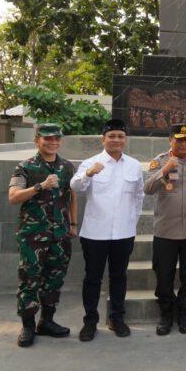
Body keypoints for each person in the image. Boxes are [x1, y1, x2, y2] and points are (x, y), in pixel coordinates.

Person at [71, 119, 144, 341]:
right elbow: (74, 186)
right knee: (92, 278)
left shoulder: (133, 165)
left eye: (120, 136)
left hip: (123, 232)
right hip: (95, 233)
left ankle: (117, 318)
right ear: (103, 139)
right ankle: (90, 321)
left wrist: (133, 220)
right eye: (111, 136)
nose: (116, 140)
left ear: (125, 140)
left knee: (119, 276)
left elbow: (139, 195)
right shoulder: (90, 163)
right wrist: (89, 174)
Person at [8, 123, 77, 348]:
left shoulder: (67, 167)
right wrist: (40, 186)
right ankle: (28, 325)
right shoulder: (26, 167)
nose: (53, 143)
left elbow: (71, 196)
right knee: (30, 280)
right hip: (33, 236)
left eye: (57, 139)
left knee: (54, 280)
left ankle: (46, 321)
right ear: (37, 140)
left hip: (60, 235)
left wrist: (73, 224)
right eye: (48, 139)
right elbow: (14, 196)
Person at [144, 124, 186, 335]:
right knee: (164, 275)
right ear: (170, 140)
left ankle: (184, 313)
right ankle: (166, 314)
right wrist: (164, 171)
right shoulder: (160, 160)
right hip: (166, 230)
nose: (183, 144)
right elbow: (147, 188)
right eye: (178, 140)